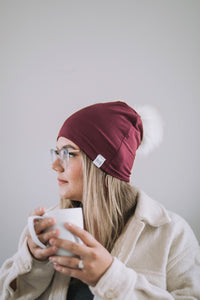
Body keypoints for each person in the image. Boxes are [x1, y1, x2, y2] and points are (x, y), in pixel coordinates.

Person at [0, 101, 200, 300]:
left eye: (67, 154)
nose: (55, 165)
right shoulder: (44, 228)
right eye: (57, 152)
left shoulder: (172, 235)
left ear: (101, 165)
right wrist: (33, 261)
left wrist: (109, 278)